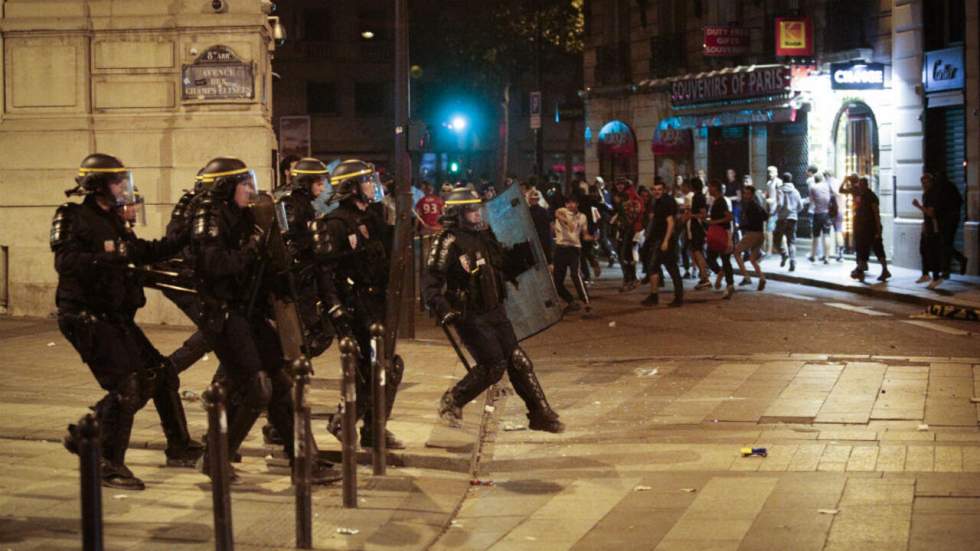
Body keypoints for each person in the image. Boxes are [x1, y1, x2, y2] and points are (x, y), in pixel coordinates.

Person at [53, 153, 184, 489]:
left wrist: (180, 241)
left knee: (159, 372)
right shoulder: (73, 216)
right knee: (126, 385)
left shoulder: (115, 220)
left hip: (115, 316)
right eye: (117, 181)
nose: (124, 187)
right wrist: (111, 257)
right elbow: (66, 262)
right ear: (97, 185)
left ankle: (177, 445)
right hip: (84, 315)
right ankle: (108, 462)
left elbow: (140, 250)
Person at [426, 187, 564, 433]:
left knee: (518, 361)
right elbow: (431, 282)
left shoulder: (484, 236)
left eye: (479, 209)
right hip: (469, 313)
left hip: (495, 309)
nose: (477, 214)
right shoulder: (447, 241)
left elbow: (501, 265)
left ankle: (539, 413)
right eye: (471, 210)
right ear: (458, 212)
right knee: (492, 365)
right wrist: (443, 309)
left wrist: (525, 254)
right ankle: (453, 401)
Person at [316, 159, 405, 450]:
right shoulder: (337, 223)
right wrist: (335, 308)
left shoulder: (372, 217)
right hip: (354, 306)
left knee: (389, 366)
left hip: (376, 304)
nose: (373, 186)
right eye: (367, 181)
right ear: (351, 187)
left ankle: (374, 428)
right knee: (370, 370)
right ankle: (343, 421)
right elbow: (325, 272)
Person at [641, 180, 683, 307]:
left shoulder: (665, 202)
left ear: (664, 190)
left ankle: (660, 297)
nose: (656, 192)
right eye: (654, 189)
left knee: (660, 267)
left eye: (659, 189)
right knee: (663, 267)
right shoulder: (660, 201)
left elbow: (670, 222)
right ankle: (658, 296)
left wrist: (665, 241)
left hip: (664, 239)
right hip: (660, 239)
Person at [551, 194, 594, 314]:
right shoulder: (562, 211)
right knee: (557, 282)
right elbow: (558, 215)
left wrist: (592, 238)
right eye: (568, 203)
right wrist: (567, 222)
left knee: (576, 275)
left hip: (574, 249)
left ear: (577, 204)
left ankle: (586, 302)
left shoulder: (582, 217)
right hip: (560, 249)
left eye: (573, 202)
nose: (570, 205)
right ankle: (571, 302)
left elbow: (584, 235)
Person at [850, 175, 891, 282]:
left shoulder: (871, 197)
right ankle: (861, 270)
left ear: (866, 185)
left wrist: (878, 229)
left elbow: (876, 213)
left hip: (870, 227)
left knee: (877, 249)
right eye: (860, 185)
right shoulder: (861, 195)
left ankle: (885, 270)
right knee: (862, 249)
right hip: (862, 228)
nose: (860, 187)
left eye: (862, 185)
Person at [705, 179, 735, 299]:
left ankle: (729, 284)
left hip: (722, 233)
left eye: (710, 187)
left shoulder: (721, 201)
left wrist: (713, 222)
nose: (708, 189)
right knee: (714, 258)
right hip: (718, 232)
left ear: (715, 188)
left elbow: (729, 217)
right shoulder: (717, 201)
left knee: (723, 259)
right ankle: (725, 278)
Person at [912, 173, 943, 287]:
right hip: (928, 226)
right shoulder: (926, 194)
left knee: (933, 252)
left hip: (934, 227)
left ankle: (936, 277)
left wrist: (918, 206)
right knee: (924, 250)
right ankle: (925, 274)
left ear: (931, 183)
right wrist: (924, 225)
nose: (924, 185)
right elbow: (927, 214)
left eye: (926, 182)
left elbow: (931, 213)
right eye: (923, 183)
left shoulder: (933, 195)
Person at [734, 185, 767, 290]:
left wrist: (740, 227)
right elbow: (766, 216)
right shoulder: (757, 205)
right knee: (753, 259)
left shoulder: (751, 206)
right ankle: (762, 278)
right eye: (744, 193)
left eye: (747, 193)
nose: (745, 195)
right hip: (760, 234)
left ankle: (746, 277)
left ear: (752, 195)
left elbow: (751, 222)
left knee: (736, 252)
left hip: (752, 234)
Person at [935, 172, 968, 277]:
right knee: (946, 244)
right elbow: (960, 201)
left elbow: (939, 205)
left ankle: (950, 267)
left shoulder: (942, 188)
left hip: (947, 221)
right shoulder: (950, 187)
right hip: (951, 220)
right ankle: (947, 269)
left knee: (945, 244)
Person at [772, 172, 802, 272]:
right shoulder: (796, 191)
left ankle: (784, 254)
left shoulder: (780, 190)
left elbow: (779, 204)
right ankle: (792, 261)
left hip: (782, 219)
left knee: (776, 240)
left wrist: (774, 212)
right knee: (791, 241)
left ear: (783, 180)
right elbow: (800, 206)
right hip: (793, 219)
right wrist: (793, 212)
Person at [687, 177, 711, 289]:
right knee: (696, 252)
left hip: (698, 228)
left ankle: (705, 277)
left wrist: (690, 215)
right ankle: (704, 276)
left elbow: (703, 214)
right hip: (697, 227)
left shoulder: (698, 197)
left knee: (697, 251)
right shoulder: (699, 196)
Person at [807, 169, 834, 264]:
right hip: (827, 214)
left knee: (815, 236)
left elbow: (811, 200)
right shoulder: (827, 186)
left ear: (815, 179)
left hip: (817, 213)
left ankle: (813, 255)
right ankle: (827, 257)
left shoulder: (813, 187)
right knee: (827, 235)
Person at [527, 190, 554, 264]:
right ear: (529, 200)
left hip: (543, 238)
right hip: (535, 239)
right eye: (532, 199)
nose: (534, 201)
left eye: (535, 199)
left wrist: (550, 237)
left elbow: (550, 224)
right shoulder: (527, 212)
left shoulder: (543, 211)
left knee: (547, 259)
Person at [764, 166, 782, 254]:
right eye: (769, 172)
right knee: (772, 231)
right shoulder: (769, 183)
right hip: (771, 209)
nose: (770, 174)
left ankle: (770, 250)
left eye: (772, 172)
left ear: (776, 173)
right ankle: (775, 248)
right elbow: (768, 194)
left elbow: (780, 197)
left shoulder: (778, 183)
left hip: (776, 209)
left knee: (769, 231)